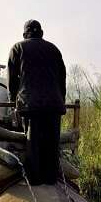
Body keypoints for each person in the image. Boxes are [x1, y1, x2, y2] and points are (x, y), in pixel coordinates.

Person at [7, 19, 66, 185]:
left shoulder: (18, 48)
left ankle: (34, 179)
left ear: (25, 33)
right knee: (52, 141)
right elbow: (62, 78)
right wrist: (60, 99)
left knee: (33, 141)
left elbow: (12, 80)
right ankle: (51, 178)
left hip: (30, 104)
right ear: (41, 32)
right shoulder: (54, 49)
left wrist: (13, 101)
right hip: (54, 104)